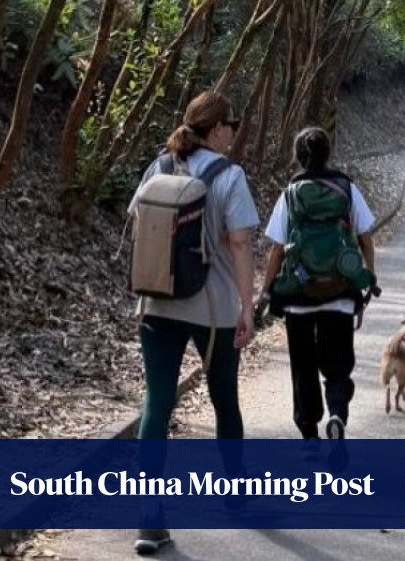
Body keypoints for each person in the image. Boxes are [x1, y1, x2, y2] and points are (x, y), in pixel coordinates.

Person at [128, 91, 259, 554]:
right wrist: (248, 306)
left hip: (157, 305)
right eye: (232, 124)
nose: (234, 131)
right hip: (213, 311)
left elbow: (138, 221)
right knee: (225, 399)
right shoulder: (230, 175)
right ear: (217, 128)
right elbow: (241, 242)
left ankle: (149, 520)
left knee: (157, 403)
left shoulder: (158, 167)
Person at [260, 127, 377, 443]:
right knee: (338, 364)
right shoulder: (347, 189)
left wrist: (266, 290)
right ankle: (337, 412)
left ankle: (309, 434)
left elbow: (277, 248)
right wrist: (368, 279)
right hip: (339, 293)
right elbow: (366, 239)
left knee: (303, 366)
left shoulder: (291, 192)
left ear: (299, 156)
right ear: (329, 153)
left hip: (298, 294)